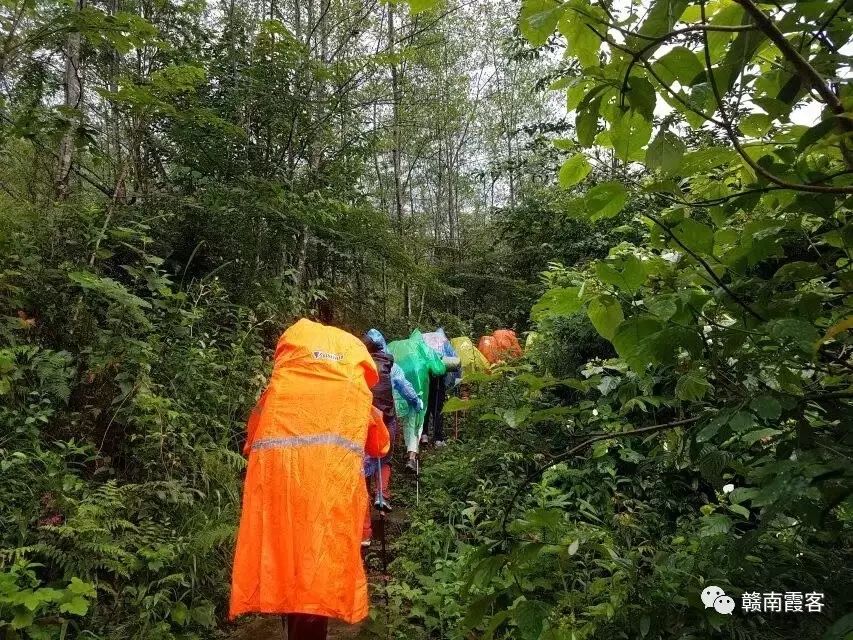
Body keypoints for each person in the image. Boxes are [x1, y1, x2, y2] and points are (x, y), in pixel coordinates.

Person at [229, 318, 390, 640]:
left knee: (286, 560)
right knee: (320, 568)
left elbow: (251, 440)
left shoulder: (276, 393)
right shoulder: (355, 394)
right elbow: (381, 444)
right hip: (331, 493)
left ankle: (293, 622)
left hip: (279, 494)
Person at [361, 329, 421, 545]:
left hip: (361, 424)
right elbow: (406, 389)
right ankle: (382, 495)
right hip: (386, 421)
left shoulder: (355, 366)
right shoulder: (391, 366)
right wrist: (416, 402)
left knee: (361, 474)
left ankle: (364, 532)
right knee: (384, 459)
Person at [387, 329, 446, 472]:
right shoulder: (421, 347)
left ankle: (387, 454)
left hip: (392, 391)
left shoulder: (392, 346)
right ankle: (411, 457)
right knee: (414, 421)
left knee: (391, 420)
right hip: (417, 389)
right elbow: (438, 369)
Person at [421, 328, 460, 447]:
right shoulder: (444, 344)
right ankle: (438, 438)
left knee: (426, 407)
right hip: (439, 381)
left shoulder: (424, 343)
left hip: (425, 380)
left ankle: (424, 434)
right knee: (438, 409)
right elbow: (454, 361)